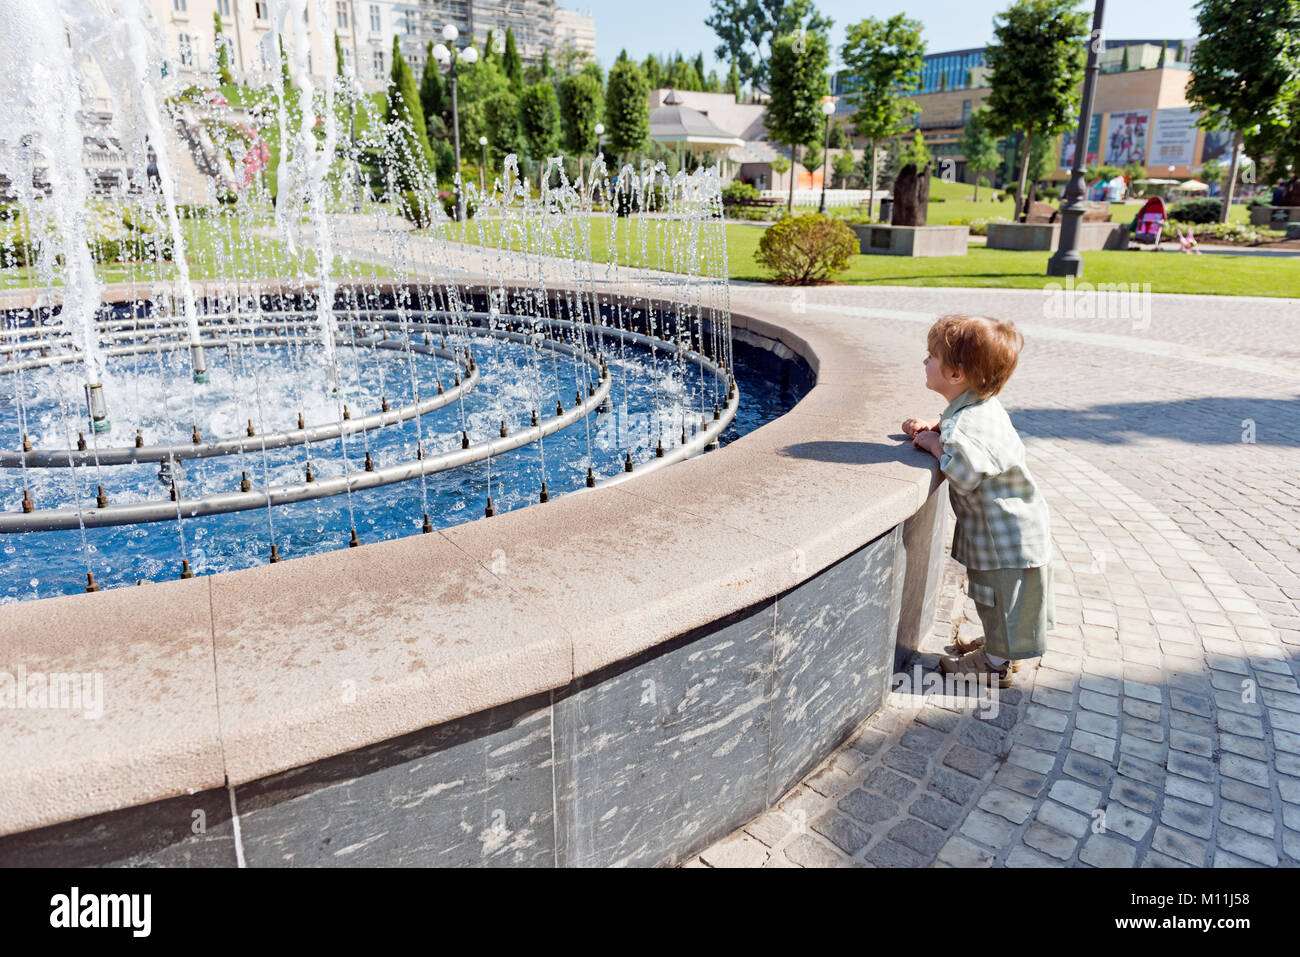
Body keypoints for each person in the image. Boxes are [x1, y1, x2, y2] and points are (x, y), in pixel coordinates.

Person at [902, 315, 1055, 688]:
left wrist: (935, 444)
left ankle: (995, 664)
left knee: (996, 596)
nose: (925, 361)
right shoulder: (977, 408)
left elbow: (965, 470)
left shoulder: (967, 426)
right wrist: (938, 425)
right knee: (1001, 598)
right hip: (1012, 529)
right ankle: (1003, 643)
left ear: (956, 375)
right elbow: (963, 430)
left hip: (1003, 539)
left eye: (931, 356)